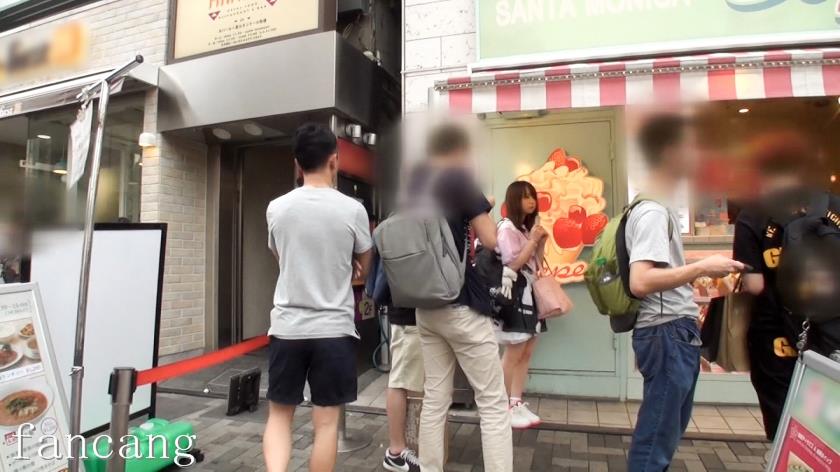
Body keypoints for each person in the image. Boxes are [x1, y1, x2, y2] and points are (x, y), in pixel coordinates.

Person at [626, 114, 744, 471]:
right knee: (657, 438)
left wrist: (698, 271)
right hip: (667, 332)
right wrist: (701, 267)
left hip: (670, 332)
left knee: (663, 432)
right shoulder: (651, 212)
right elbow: (640, 281)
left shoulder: (652, 208)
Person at [263, 123, 373, 472]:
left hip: (288, 328)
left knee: (279, 417)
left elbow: (281, 258)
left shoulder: (276, 208)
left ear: (297, 163)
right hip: (334, 330)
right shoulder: (352, 209)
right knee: (326, 426)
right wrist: (347, 265)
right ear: (334, 160)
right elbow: (365, 266)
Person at [410, 123, 512, 472]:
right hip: (461, 304)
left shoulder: (415, 186)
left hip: (425, 304)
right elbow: (491, 240)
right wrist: (485, 207)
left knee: (435, 398)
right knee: (492, 401)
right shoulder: (461, 181)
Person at [733, 131, 840, 440]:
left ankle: (789, 457)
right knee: (828, 424)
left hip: (776, 337)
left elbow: (754, 285)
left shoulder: (752, 215)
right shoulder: (834, 205)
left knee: (783, 422)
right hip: (832, 335)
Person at [496, 181, 548, 429]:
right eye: (525, 197)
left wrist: (540, 242)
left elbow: (537, 264)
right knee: (514, 352)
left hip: (530, 293)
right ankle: (501, 407)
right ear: (514, 200)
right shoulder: (507, 228)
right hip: (516, 296)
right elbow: (513, 263)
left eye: (533, 196)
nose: (531, 201)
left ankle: (515, 402)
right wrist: (532, 241)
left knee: (527, 351)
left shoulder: (526, 230)